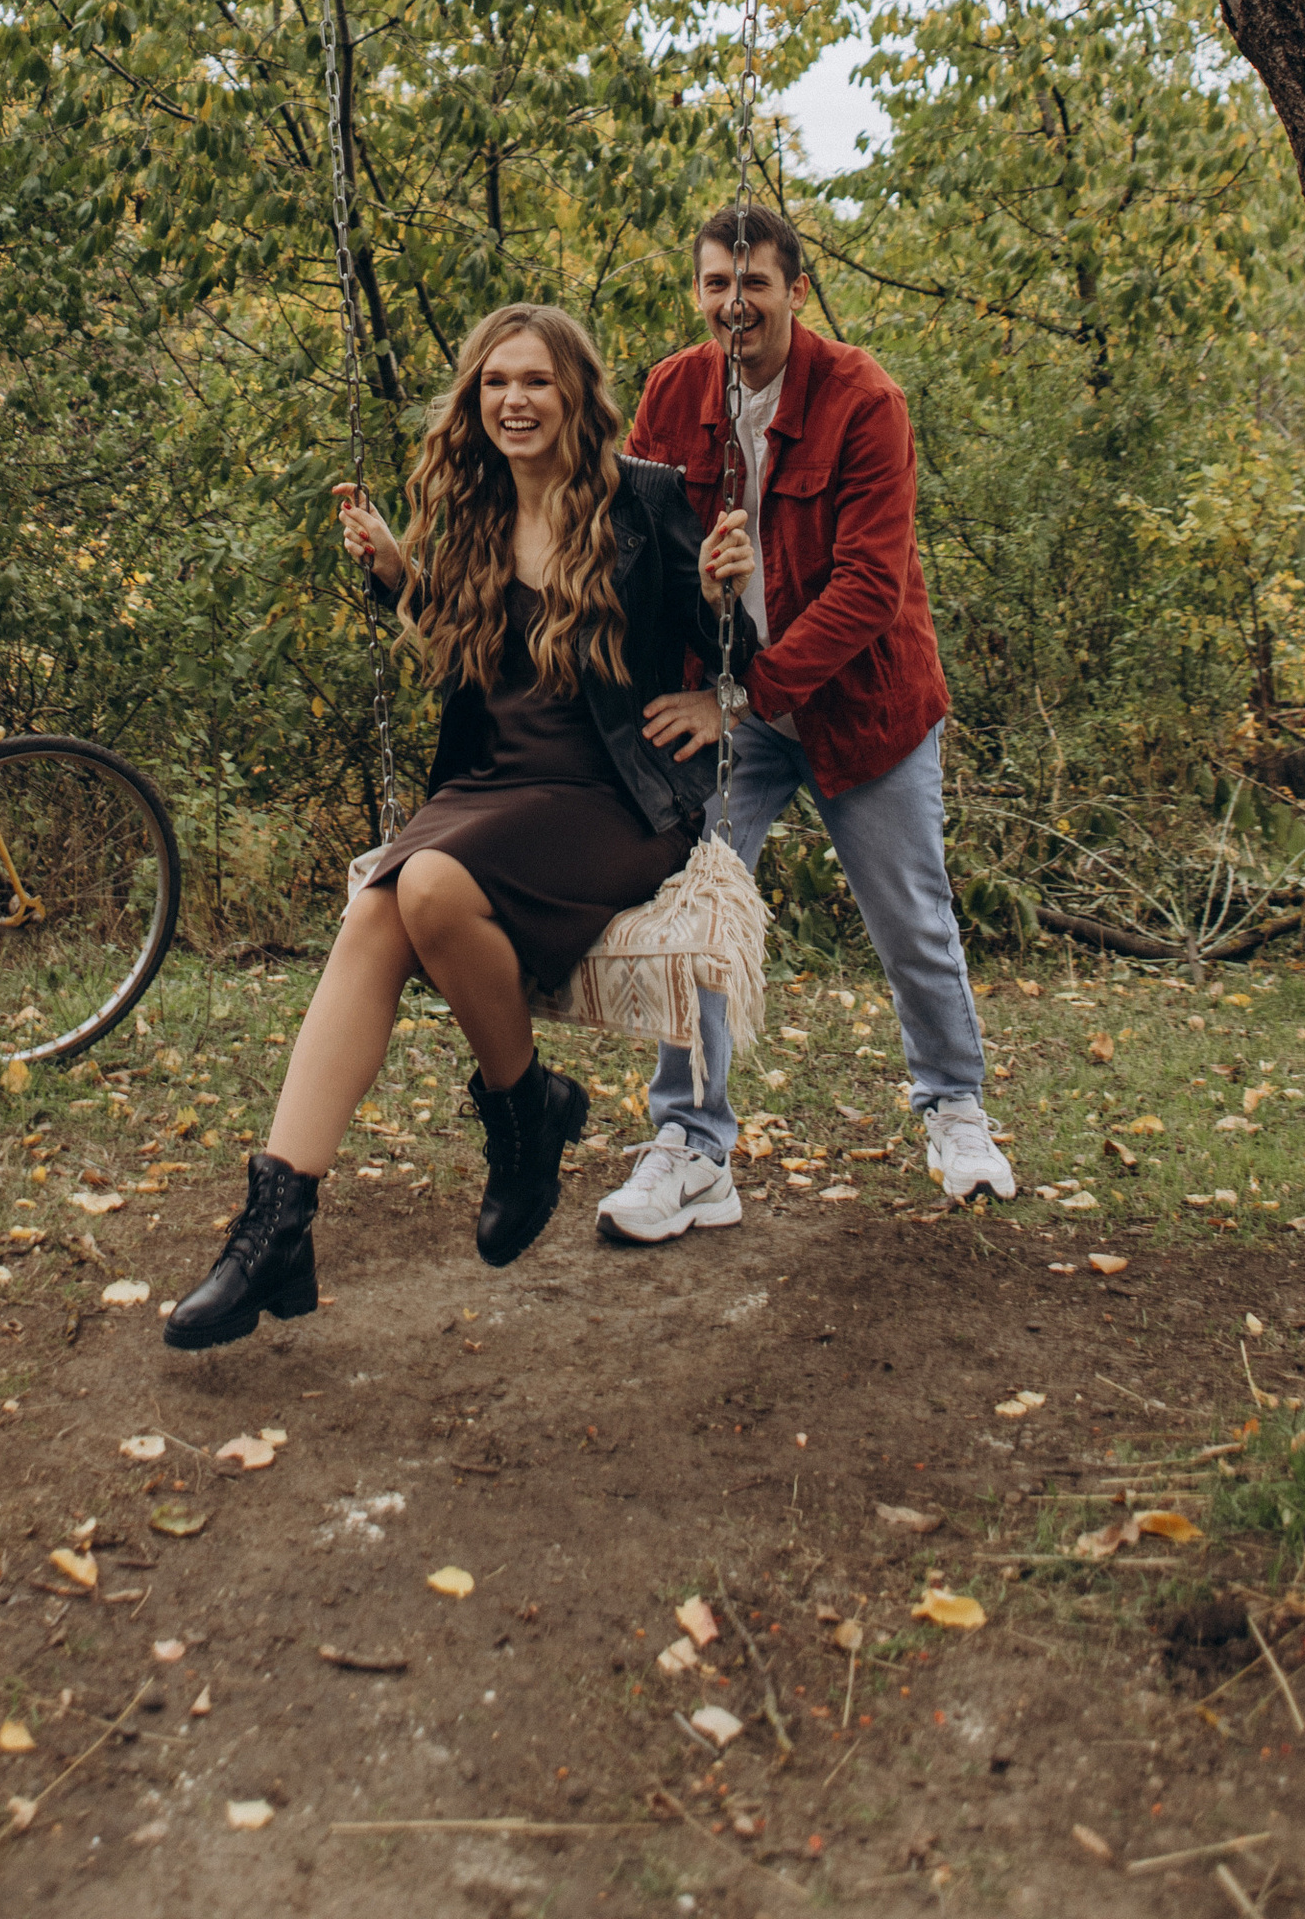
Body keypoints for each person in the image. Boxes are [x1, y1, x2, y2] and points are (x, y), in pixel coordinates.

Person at [165, 299, 738, 1351]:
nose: (513, 402)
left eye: (534, 381)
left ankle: (522, 1114)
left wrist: (719, 668)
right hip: (490, 783)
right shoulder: (472, 509)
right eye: (494, 383)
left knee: (419, 884)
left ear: (575, 394)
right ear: (473, 402)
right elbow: (480, 653)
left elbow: (728, 636)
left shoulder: (644, 500)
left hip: (609, 797)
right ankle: (274, 1224)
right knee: (379, 911)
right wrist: (398, 575)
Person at [592, 201, 1016, 1244]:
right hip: (727, 708)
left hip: (859, 707)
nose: (733, 306)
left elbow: (871, 586)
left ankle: (954, 1111)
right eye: (714, 286)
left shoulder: (864, 399)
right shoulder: (673, 391)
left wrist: (744, 693)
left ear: (794, 290)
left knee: (910, 917)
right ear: (696, 291)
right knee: (696, 914)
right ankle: (691, 1146)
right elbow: (637, 548)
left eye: (754, 286)